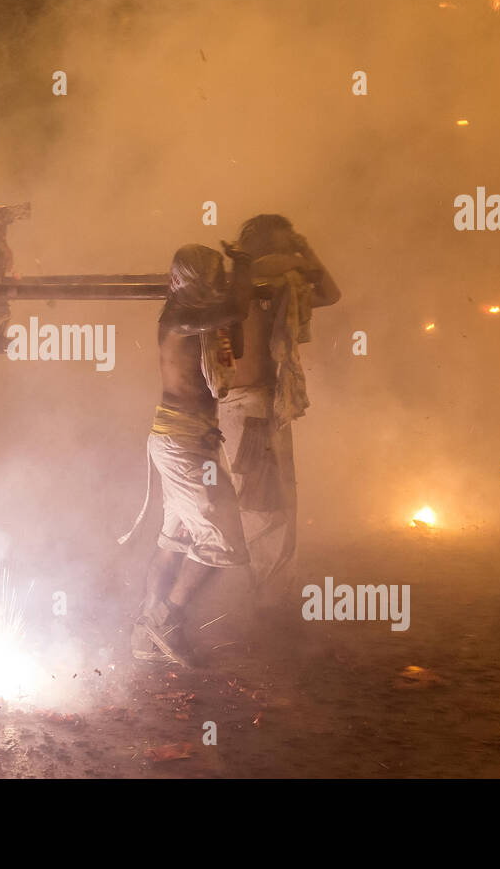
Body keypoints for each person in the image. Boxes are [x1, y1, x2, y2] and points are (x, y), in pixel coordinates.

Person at [119, 242, 253, 665]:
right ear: (184, 283)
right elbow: (235, 310)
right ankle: (163, 621)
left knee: (175, 540)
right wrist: (244, 266)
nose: (215, 292)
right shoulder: (178, 319)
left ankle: (146, 634)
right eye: (209, 284)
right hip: (181, 445)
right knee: (221, 541)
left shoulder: (201, 322)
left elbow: (237, 340)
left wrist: (235, 284)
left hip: (187, 442)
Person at [219, 215, 340, 601]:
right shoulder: (242, 282)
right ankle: (258, 593)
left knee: (280, 496)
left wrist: (305, 251)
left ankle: (274, 590)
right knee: (258, 499)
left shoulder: (281, 285)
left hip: (267, 402)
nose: (292, 248)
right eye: (286, 241)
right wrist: (298, 256)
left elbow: (331, 293)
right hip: (245, 403)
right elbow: (269, 267)